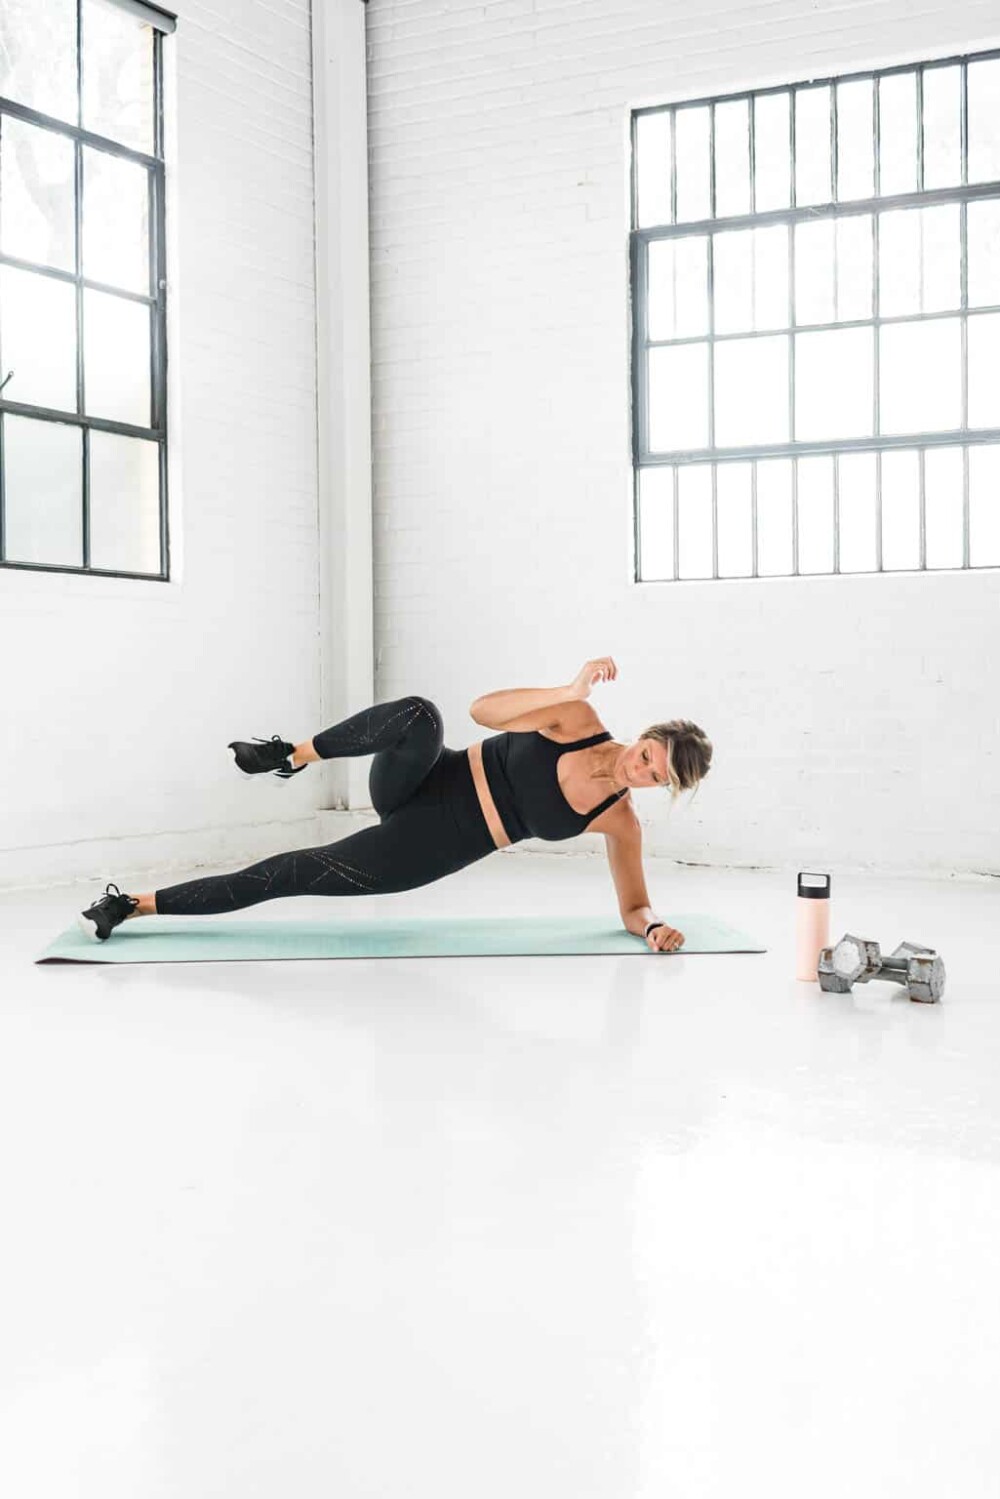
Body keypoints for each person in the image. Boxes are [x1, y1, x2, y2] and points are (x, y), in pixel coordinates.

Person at [78, 657, 713, 951]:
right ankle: (289, 755)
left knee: (289, 871)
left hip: (426, 849)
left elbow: (632, 905)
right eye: (651, 754)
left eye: (657, 777)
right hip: (424, 780)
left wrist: (652, 928)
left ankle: (129, 904)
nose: (643, 770)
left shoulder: (618, 821)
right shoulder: (576, 718)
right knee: (420, 714)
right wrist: (567, 688)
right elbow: (482, 711)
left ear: (663, 788)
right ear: (650, 735)